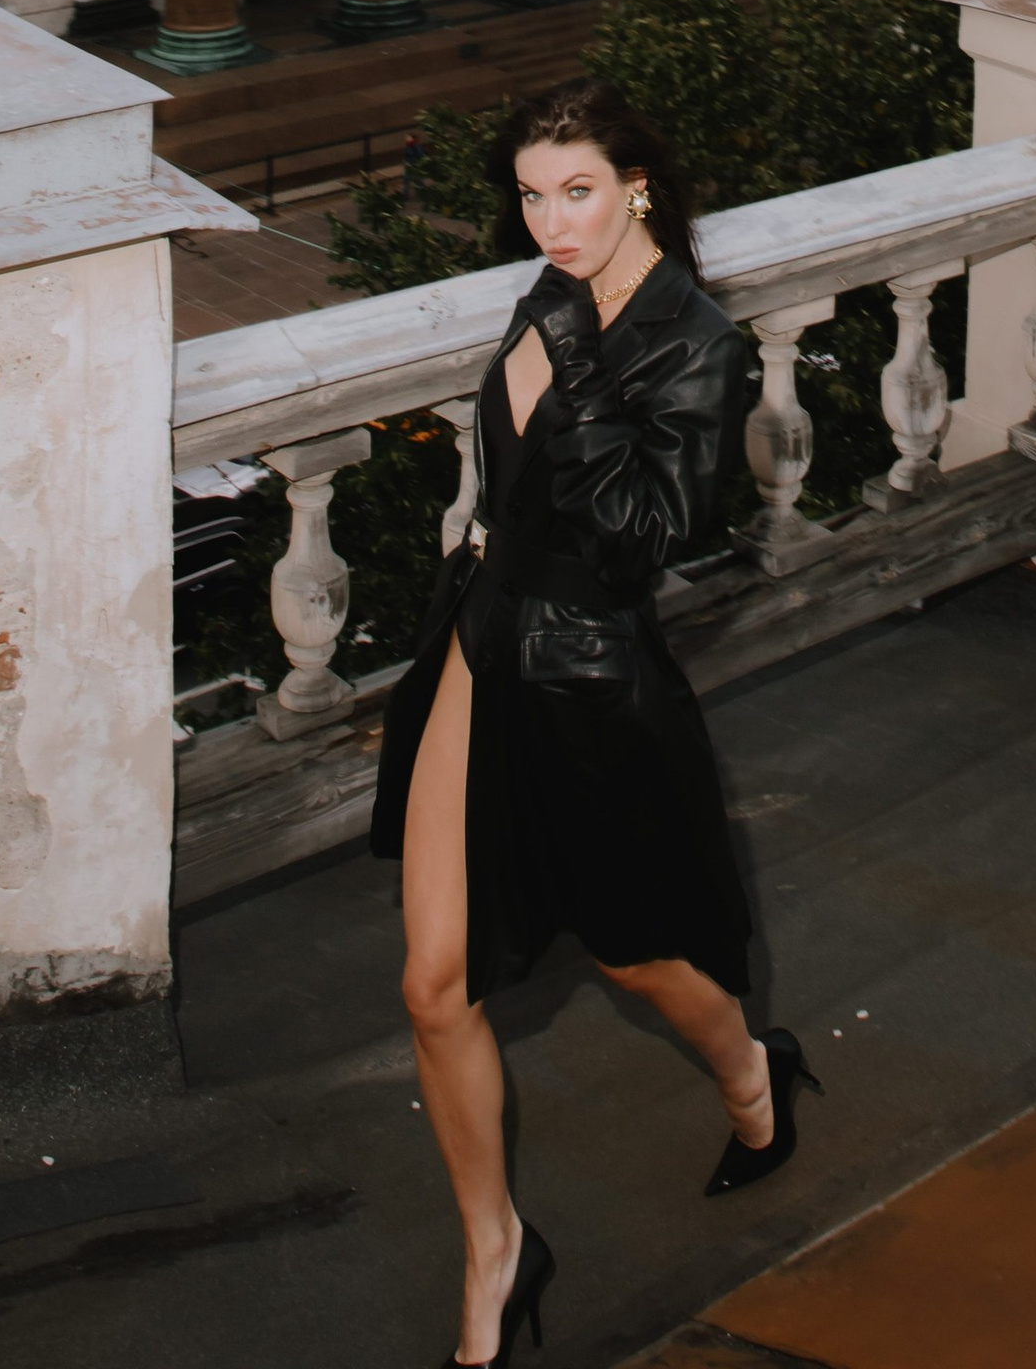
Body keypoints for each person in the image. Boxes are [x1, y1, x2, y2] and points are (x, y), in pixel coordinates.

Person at [372, 81, 807, 1369]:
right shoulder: (557, 288)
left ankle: (750, 1080)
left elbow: (643, 543)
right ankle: (497, 1250)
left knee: (636, 964)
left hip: (589, 673)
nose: (549, 222)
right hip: (481, 637)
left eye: (575, 191)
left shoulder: (694, 340)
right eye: (529, 194)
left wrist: (572, 352)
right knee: (432, 983)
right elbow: (513, 468)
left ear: (637, 188)